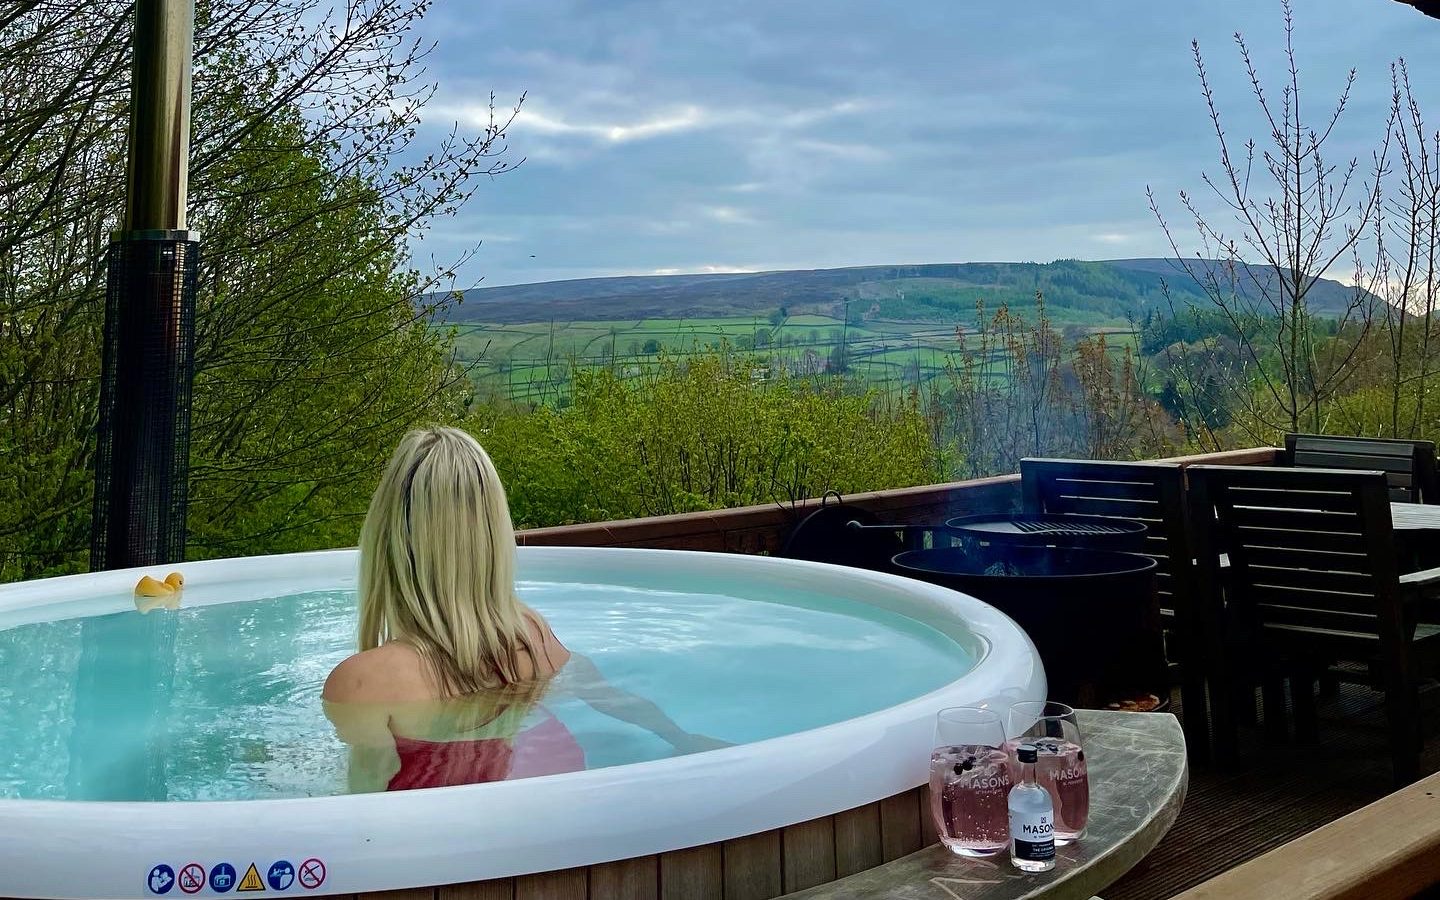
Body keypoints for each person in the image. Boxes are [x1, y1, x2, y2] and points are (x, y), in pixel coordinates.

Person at [323, 427, 724, 792]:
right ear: (493, 535)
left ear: (389, 536)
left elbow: (362, 817)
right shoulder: (532, 638)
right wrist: (683, 740)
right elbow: (609, 697)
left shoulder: (362, 684)